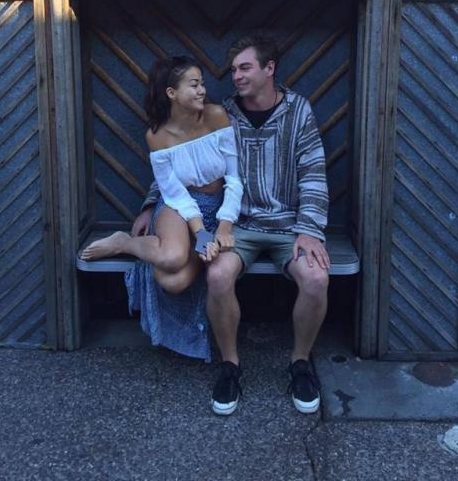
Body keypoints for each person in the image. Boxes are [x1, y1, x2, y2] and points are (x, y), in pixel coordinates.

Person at [134, 34, 330, 414]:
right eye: (234, 69)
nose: (236, 76)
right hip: (237, 222)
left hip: (288, 223)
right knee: (218, 275)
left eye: (245, 68)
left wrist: (309, 228)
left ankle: (301, 363)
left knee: (317, 278)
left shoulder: (298, 112)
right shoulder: (221, 113)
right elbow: (179, 163)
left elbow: (313, 171)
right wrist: (150, 204)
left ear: (269, 69)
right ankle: (230, 366)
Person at [80, 55, 243, 361]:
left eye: (202, 84)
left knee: (173, 281)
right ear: (171, 93)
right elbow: (174, 192)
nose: (202, 90)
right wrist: (200, 233)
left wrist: (223, 226)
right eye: (193, 85)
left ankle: (162, 250)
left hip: (218, 206)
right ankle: (124, 243)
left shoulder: (216, 116)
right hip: (178, 206)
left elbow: (234, 179)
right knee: (171, 258)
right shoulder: (157, 136)